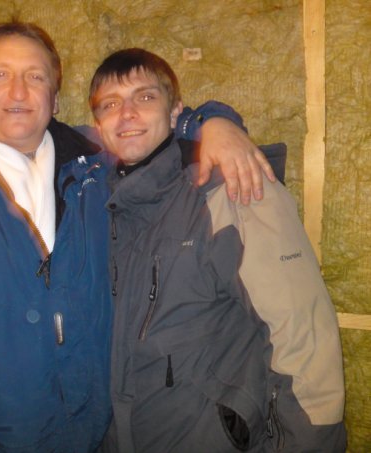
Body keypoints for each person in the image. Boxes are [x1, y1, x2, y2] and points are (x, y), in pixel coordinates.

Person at [0, 22, 273, 453]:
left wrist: (212, 122)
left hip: (92, 438)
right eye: (0, 75)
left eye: (35, 76)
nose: (18, 92)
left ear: (54, 98)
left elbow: (151, 125)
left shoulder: (98, 168)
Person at [89, 48, 346, 453]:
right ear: (97, 125)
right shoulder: (99, 204)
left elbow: (303, 338)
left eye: (145, 97)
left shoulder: (232, 189)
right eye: (110, 104)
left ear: (175, 113)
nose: (127, 114)